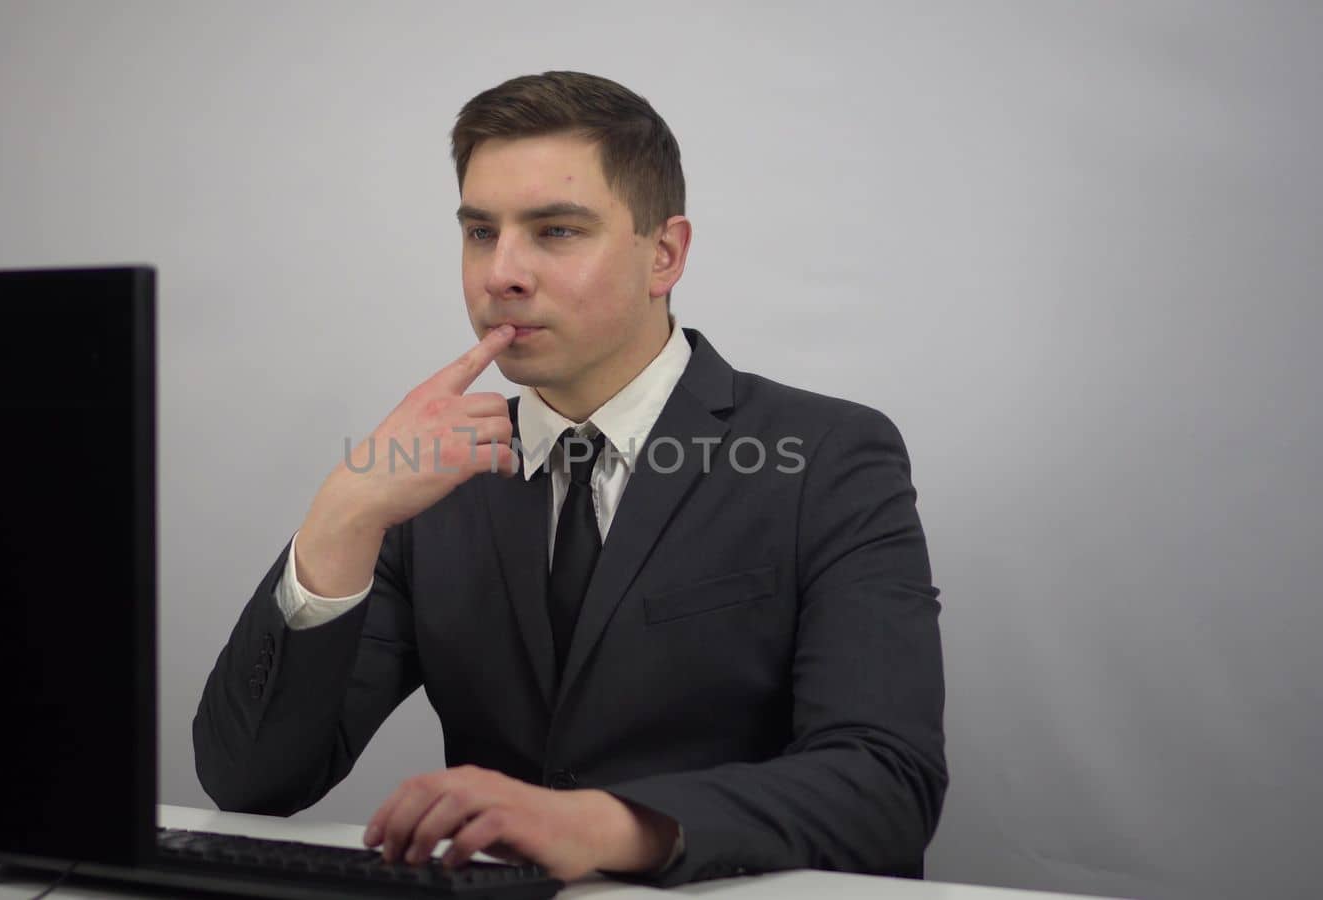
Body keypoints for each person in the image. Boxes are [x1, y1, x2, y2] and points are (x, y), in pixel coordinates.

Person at [192, 70, 945, 887]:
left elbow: (885, 785)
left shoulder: (828, 453)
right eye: (481, 232)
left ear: (664, 254)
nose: (501, 273)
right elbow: (251, 783)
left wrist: (606, 826)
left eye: (555, 231)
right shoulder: (433, 480)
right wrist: (342, 515)